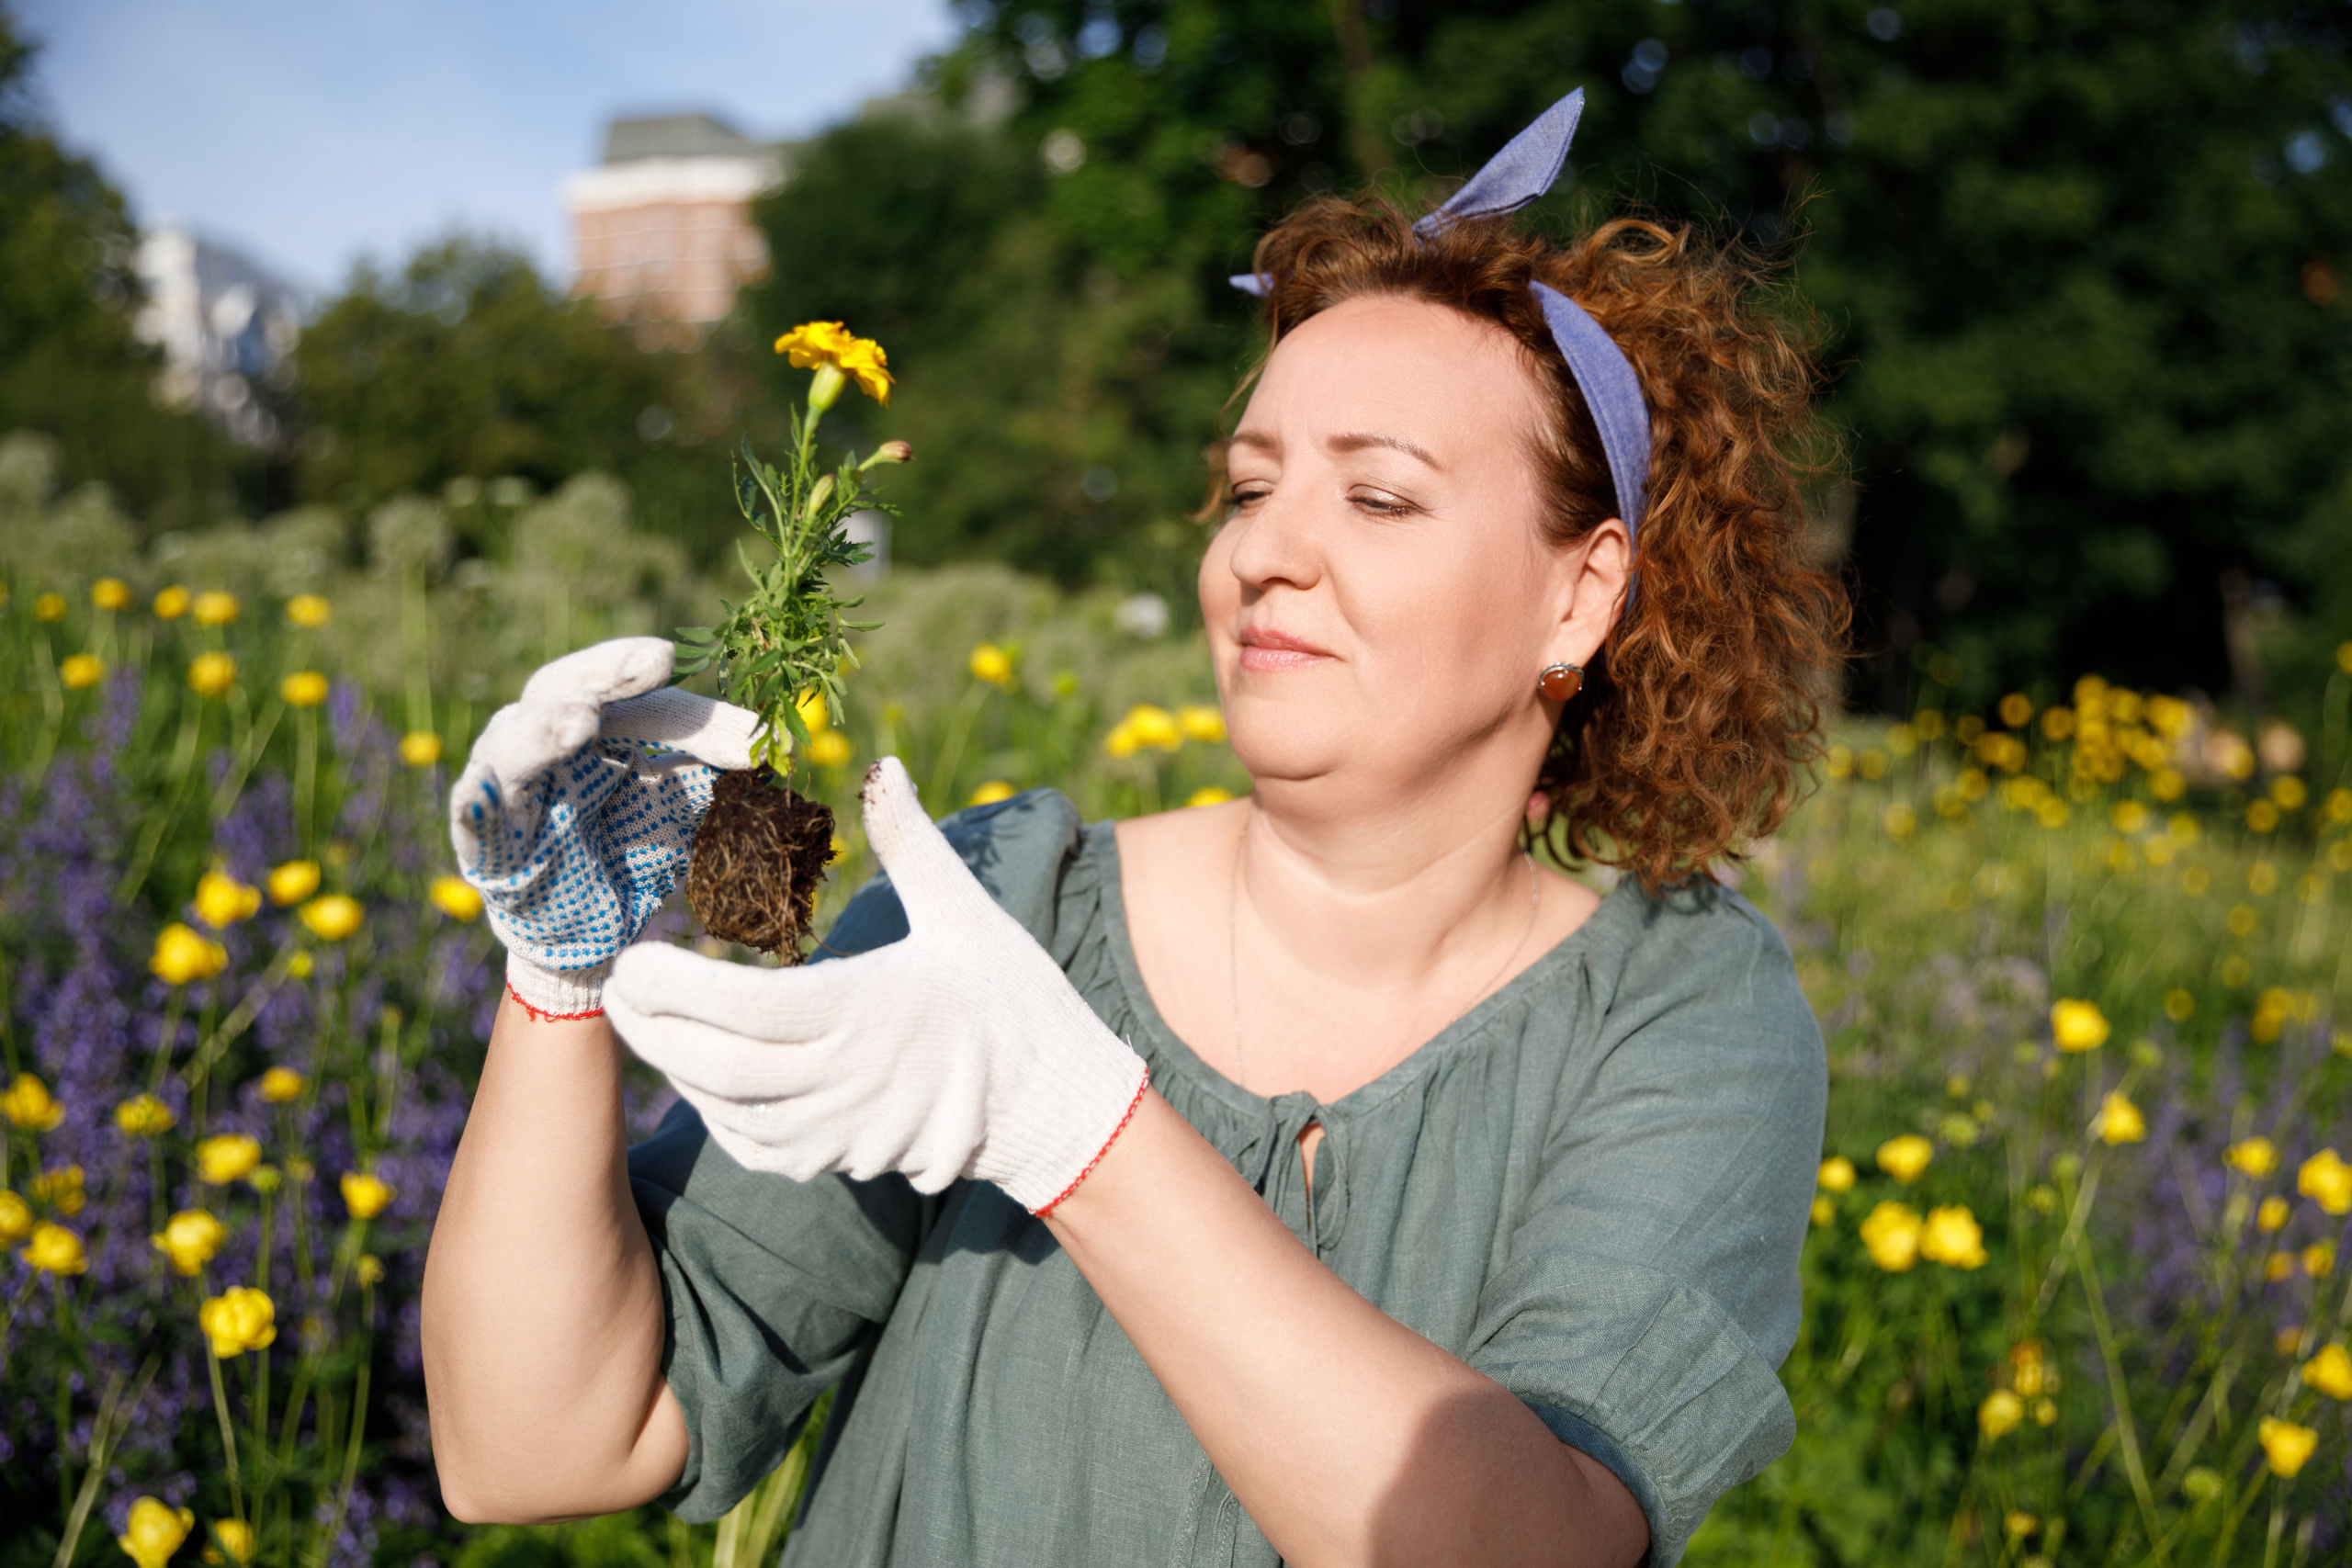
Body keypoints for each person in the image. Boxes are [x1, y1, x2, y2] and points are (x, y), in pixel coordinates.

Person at [422, 91, 1845, 1568]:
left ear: (1581, 595)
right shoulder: (997, 910)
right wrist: (557, 983)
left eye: (1377, 496)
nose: (1265, 550)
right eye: (1250, 486)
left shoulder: (1682, 1016)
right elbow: (536, 1446)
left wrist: (1073, 1129)